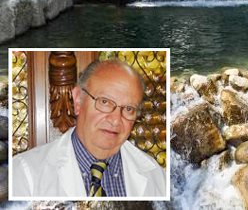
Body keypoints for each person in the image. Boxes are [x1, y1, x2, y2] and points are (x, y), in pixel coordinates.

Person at [12, 59, 166, 198]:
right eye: (105, 102)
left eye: (129, 109)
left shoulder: (158, 178)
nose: (115, 120)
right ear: (78, 100)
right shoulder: (24, 174)